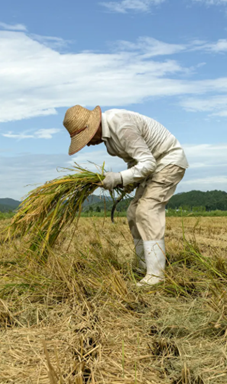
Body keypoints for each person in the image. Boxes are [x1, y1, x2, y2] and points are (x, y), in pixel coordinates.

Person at [62, 105, 188, 286]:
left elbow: (148, 163)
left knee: (146, 211)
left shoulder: (121, 127)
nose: (88, 144)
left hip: (167, 161)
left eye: (87, 139)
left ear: (93, 127)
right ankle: (143, 265)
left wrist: (120, 178)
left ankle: (156, 275)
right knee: (133, 213)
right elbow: (134, 161)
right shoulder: (109, 140)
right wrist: (127, 181)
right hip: (152, 166)